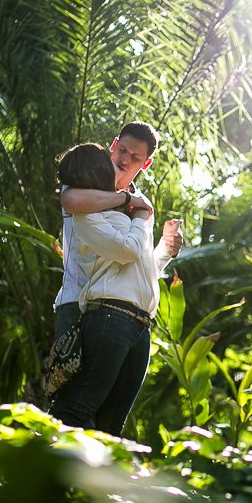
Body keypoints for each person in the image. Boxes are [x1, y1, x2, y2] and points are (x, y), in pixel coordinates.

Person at [50, 122, 182, 435]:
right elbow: (70, 201)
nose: (123, 158)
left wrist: (165, 249)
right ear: (113, 143)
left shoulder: (140, 202)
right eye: (121, 149)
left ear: (145, 163)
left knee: (107, 420)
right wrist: (130, 205)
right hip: (77, 303)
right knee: (73, 404)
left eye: (134, 156)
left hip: (129, 313)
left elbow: (137, 264)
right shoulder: (85, 182)